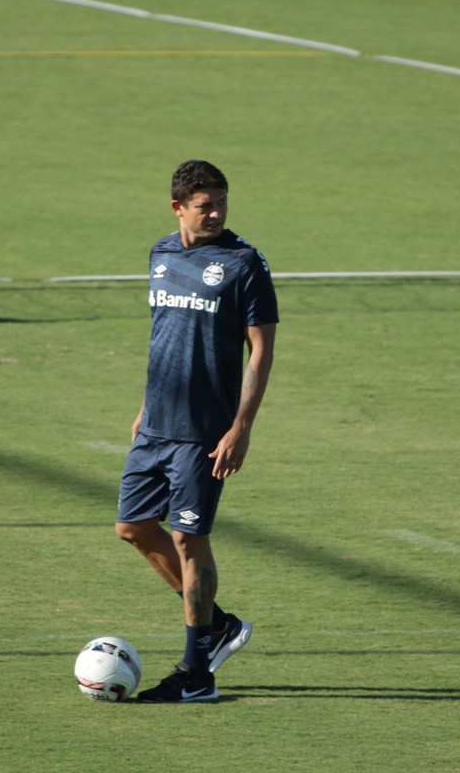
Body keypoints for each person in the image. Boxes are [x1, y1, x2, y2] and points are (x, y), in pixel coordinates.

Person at [115, 159, 279, 702]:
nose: (215, 213)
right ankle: (220, 627)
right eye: (205, 204)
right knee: (134, 527)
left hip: (204, 432)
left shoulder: (243, 263)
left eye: (222, 202)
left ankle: (196, 674)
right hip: (156, 425)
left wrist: (241, 427)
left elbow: (261, 348)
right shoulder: (161, 254)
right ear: (178, 207)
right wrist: (144, 405)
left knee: (188, 538)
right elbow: (166, 334)